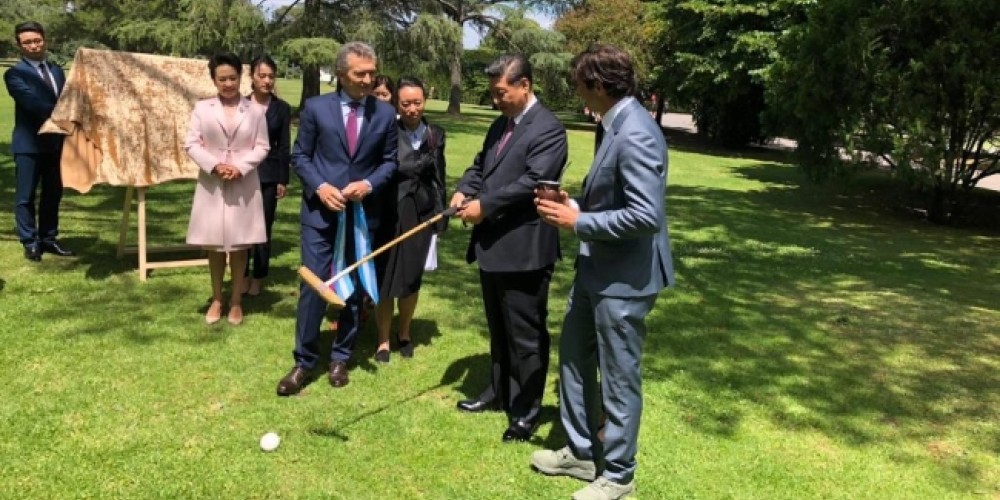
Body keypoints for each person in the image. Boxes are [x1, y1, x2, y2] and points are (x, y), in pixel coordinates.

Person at [531, 44, 674, 500]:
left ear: (597, 85)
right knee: (574, 357)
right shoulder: (612, 125)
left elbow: (645, 215)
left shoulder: (637, 132)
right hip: (596, 271)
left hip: (625, 281)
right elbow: (616, 199)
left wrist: (580, 223)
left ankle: (619, 475)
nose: (576, 92)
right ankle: (581, 451)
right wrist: (575, 206)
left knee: (618, 377)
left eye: (578, 84)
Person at [451, 54, 567, 443]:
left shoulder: (549, 129)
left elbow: (534, 181)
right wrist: (464, 189)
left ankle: (526, 410)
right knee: (499, 328)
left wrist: (484, 206)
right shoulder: (501, 124)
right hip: (492, 246)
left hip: (525, 250)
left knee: (526, 333)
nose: (495, 100)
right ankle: (499, 392)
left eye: (501, 92)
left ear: (524, 86)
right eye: (492, 93)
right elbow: (482, 164)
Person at [276, 42, 398, 395]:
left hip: (362, 219)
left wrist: (368, 183)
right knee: (315, 286)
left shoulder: (385, 114)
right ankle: (303, 362)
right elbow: (301, 157)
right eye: (361, 73)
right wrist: (321, 187)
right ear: (342, 74)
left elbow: (390, 161)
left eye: (372, 72)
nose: (368, 79)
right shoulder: (316, 109)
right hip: (320, 216)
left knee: (355, 290)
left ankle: (341, 357)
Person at [184, 52, 270, 326]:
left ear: (240, 78)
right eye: (222, 79)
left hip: (244, 184)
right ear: (214, 80)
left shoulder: (255, 110)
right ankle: (217, 298)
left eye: (232, 78)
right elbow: (192, 143)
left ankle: (236, 301)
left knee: (240, 245)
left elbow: (262, 146)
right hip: (213, 184)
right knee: (215, 246)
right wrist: (215, 165)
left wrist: (241, 167)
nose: (228, 84)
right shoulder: (202, 108)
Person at [373, 76, 446, 363]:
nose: (412, 109)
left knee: (410, 278)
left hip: (421, 214)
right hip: (389, 212)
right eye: (406, 104)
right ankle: (382, 340)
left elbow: (438, 176)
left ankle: (404, 333)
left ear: (425, 101)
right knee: (386, 277)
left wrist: (440, 217)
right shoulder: (387, 131)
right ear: (397, 104)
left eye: (417, 102)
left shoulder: (435, 134)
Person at [4, 21, 73, 262]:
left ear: (45, 40)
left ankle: (49, 239)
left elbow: (67, 98)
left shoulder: (56, 70)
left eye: (37, 40)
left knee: (53, 194)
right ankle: (30, 242)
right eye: (27, 42)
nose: (33, 46)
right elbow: (30, 101)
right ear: (20, 45)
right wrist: (63, 113)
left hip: (56, 143)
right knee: (25, 196)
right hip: (29, 145)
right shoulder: (14, 74)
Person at [242, 55, 292, 297]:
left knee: (262, 227)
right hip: (242, 174)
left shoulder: (281, 109)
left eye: (271, 76)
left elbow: (284, 146)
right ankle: (241, 274)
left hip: (270, 174)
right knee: (241, 226)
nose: (267, 80)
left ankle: (258, 276)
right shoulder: (239, 104)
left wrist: (283, 179)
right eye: (262, 75)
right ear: (251, 76)